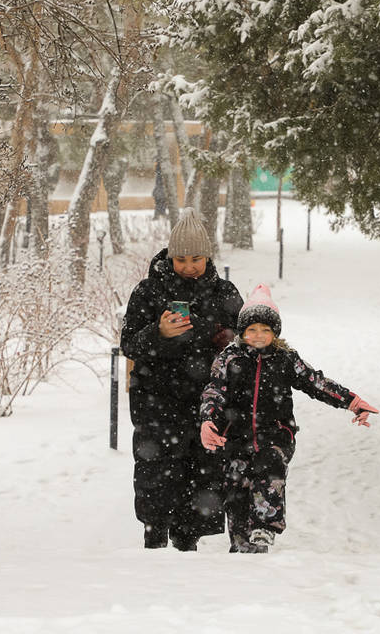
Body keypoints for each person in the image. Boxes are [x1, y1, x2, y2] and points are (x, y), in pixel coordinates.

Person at [198, 284, 379, 553]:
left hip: (275, 434)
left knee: (268, 466)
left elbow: (316, 383)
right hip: (235, 435)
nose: (258, 336)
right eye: (252, 330)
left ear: (275, 333)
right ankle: (240, 546)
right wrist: (207, 419)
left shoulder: (285, 360)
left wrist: (351, 401)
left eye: (265, 330)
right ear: (242, 332)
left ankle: (265, 526)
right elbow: (214, 390)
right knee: (237, 486)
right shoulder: (229, 358)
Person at [120, 209, 243, 551]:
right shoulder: (147, 291)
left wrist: (224, 338)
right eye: (182, 259)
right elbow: (128, 342)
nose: (189, 266)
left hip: (207, 404)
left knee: (203, 476)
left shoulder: (224, 293)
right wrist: (158, 333)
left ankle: (188, 547)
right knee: (156, 477)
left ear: (208, 257)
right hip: (156, 403)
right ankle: (154, 541)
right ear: (170, 256)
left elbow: (249, 343)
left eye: (197, 259)